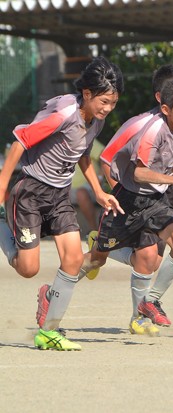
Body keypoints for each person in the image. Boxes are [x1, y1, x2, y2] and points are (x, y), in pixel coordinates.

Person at [0, 56, 124, 350]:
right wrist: (3, 184)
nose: (107, 109)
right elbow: (20, 141)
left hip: (58, 196)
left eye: (113, 103)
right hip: (29, 192)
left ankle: (48, 329)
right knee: (28, 268)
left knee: (73, 260)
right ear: (87, 94)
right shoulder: (64, 113)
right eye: (104, 101)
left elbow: (81, 153)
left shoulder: (96, 119)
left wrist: (97, 190)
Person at [80, 79, 173, 334]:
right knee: (96, 260)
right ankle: (57, 290)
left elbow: (172, 157)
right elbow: (134, 171)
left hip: (156, 199)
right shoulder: (148, 128)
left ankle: (147, 306)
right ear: (163, 103)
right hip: (129, 198)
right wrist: (113, 191)